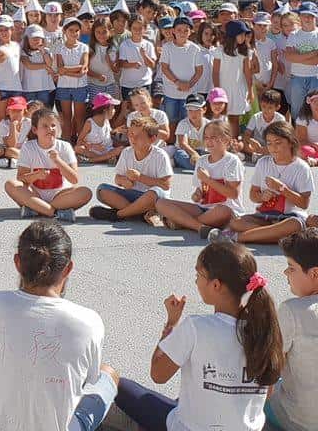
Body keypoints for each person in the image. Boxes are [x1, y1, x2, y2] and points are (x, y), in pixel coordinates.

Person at [0, 222, 117, 431]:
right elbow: (88, 379)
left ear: (17, 262)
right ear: (68, 268)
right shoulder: (89, 321)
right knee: (108, 373)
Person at [115, 242, 282, 431]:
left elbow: (158, 374)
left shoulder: (196, 327)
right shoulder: (266, 329)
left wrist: (171, 324)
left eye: (198, 275)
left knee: (116, 382)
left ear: (216, 284)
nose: (196, 281)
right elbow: (266, 392)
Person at [210, 120, 314, 245]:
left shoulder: (302, 167)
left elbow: (304, 204)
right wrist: (261, 197)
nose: (273, 148)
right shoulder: (263, 162)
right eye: (269, 143)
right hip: (265, 216)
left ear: (291, 142)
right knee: (235, 222)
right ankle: (279, 237)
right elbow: (253, 195)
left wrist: (282, 189)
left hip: (290, 217)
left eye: (278, 143)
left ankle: (237, 238)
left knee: (294, 225)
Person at [156, 119, 245, 238]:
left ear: (226, 140)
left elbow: (233, 194)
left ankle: (183, 222)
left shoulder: (232, 161)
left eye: (213, 137)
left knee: (223, 210)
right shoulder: (202, 160)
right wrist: (197, 195)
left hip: (225, 211)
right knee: (161, 203)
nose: (209, 141)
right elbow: (200, 192)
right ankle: (200, 227)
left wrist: (208, 180)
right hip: (203, 208)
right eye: (206, 137)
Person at [267, 229, 318, 431]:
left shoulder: (292, 310)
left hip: (299, 421)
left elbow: (269, 371)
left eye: (291, 268)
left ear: (314, 273)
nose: (286, 273)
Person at [5, 107, 92, 222]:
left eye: (53, 125)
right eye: (45, 126)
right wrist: (36, 175)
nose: (50, 129)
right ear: (35, 130)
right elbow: (21, 178)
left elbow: (74, 179)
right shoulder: (28, 147)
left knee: (85, 192)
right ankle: (54, 212)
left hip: (61, 195)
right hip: (35, 194)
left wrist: (58, 161)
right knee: (10, 184)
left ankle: (37, 208)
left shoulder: (65, 146)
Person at [91, 117, 172, 226]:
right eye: (130, 134)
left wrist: (140, 177)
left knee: (153, 193)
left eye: (138, 136)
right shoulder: (126, 152)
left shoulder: (160, 155)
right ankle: (141, 213)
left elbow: (166, 185)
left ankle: (118, 215)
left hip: (153, 198)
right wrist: (123, 181)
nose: (133, 138)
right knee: (102, 190)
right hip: (133, 196)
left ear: (152, 139)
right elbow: (117, 178)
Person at [159, 16, 202, 133]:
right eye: (179, 30)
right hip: (170, 93)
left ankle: (185, 144)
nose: (182, 33)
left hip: (189, 95)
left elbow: (199, 71)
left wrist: (189, 85)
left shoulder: (195, 49)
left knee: (187, 121)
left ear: (190, 31)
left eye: (186, 30)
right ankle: (172, 143)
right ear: (173, 31)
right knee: (171, 120)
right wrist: (177, 82)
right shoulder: (167, 47)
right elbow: (164, 67)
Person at [213, 20, 253, 140]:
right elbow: (215, 72)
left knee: (234, 118)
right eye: (240, 34)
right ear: (232, 35)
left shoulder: (245, 52)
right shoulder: (219, 51)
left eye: (244, 34)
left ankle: (233, 143)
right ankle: (221, 141)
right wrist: (217, 90)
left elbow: (247, 72)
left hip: (238, 89)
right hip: (223, 89)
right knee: (222, 117)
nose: (243, 37)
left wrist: (250, 90)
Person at [56, 17, 89, 143]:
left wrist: (66, 71)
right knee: (66, 117)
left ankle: (80, 146)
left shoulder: (84, 47)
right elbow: (59, 69)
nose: (74, 33)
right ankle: (66, 144)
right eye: (71, 30)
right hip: (64, 87)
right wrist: (76, 73)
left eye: (77, 30)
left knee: (79, 117)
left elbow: (83, 66)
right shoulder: (59, 48)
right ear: (64, 31)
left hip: (80, 87)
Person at [284, 1, 318, 124]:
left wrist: (298, 56)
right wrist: (312, 53)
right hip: (297, 77)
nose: (308, 18)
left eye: (311, 15)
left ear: (316, 17)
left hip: (315, 77)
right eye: (304, 15)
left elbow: (316, 61)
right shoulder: (294, 34)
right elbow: (289, 57)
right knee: (296, 110)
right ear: (300, 17)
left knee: (315, 110)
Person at [75, 92, 123, 164]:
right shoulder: (90, 123)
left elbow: (109, 134)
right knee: (78, 149)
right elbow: (79, 141)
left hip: (108, 150)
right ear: (105, 110)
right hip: (94, 151)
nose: (114, 111)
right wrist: (93, 146)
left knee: (122, 149)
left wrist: (118, 130)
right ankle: (106, 159)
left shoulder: (106, 120)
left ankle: (92, 160)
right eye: (112, 108)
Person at [169, 94, 208, 171]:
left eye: (197, 109)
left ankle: (201, 167)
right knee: (179, 155)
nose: (193, 113)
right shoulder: (183, 123)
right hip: (187, 152)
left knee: (212, 155)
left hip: (202, 152)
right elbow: (182, 143)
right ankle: (205, 168)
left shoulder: (209, 124)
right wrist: (193, 153)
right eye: (190, 110)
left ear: (204, 109)